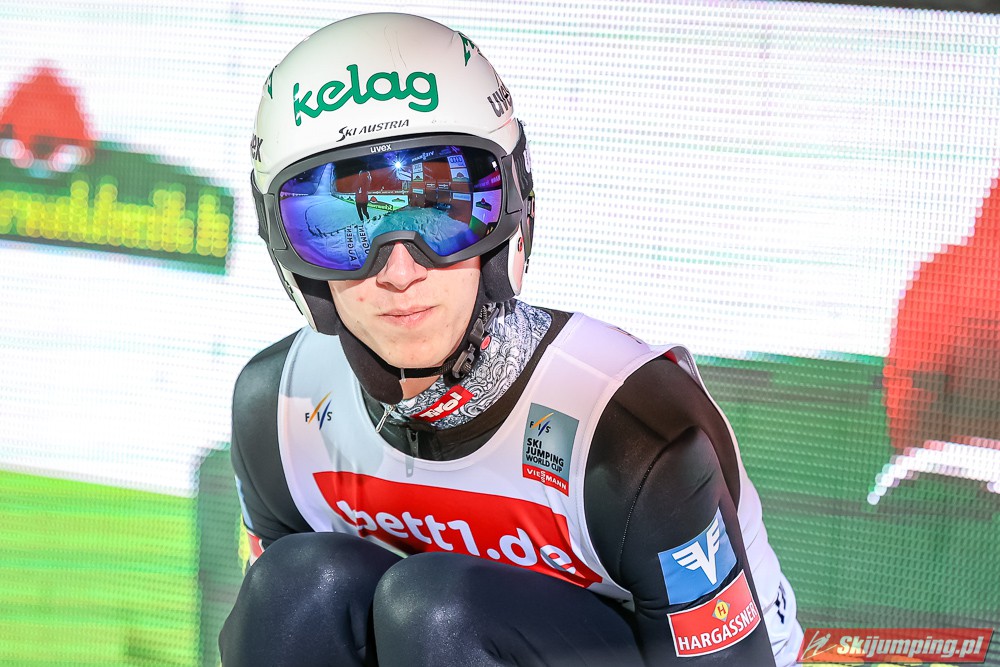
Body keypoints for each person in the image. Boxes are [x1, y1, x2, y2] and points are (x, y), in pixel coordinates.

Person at [222, 12, 803, 666]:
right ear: (288, 250)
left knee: (439, 614)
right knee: (293, 593)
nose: (400, 271)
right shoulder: (277, 411)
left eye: (439, 208)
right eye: (340, 226)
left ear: (509, 211)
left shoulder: (626, 437)